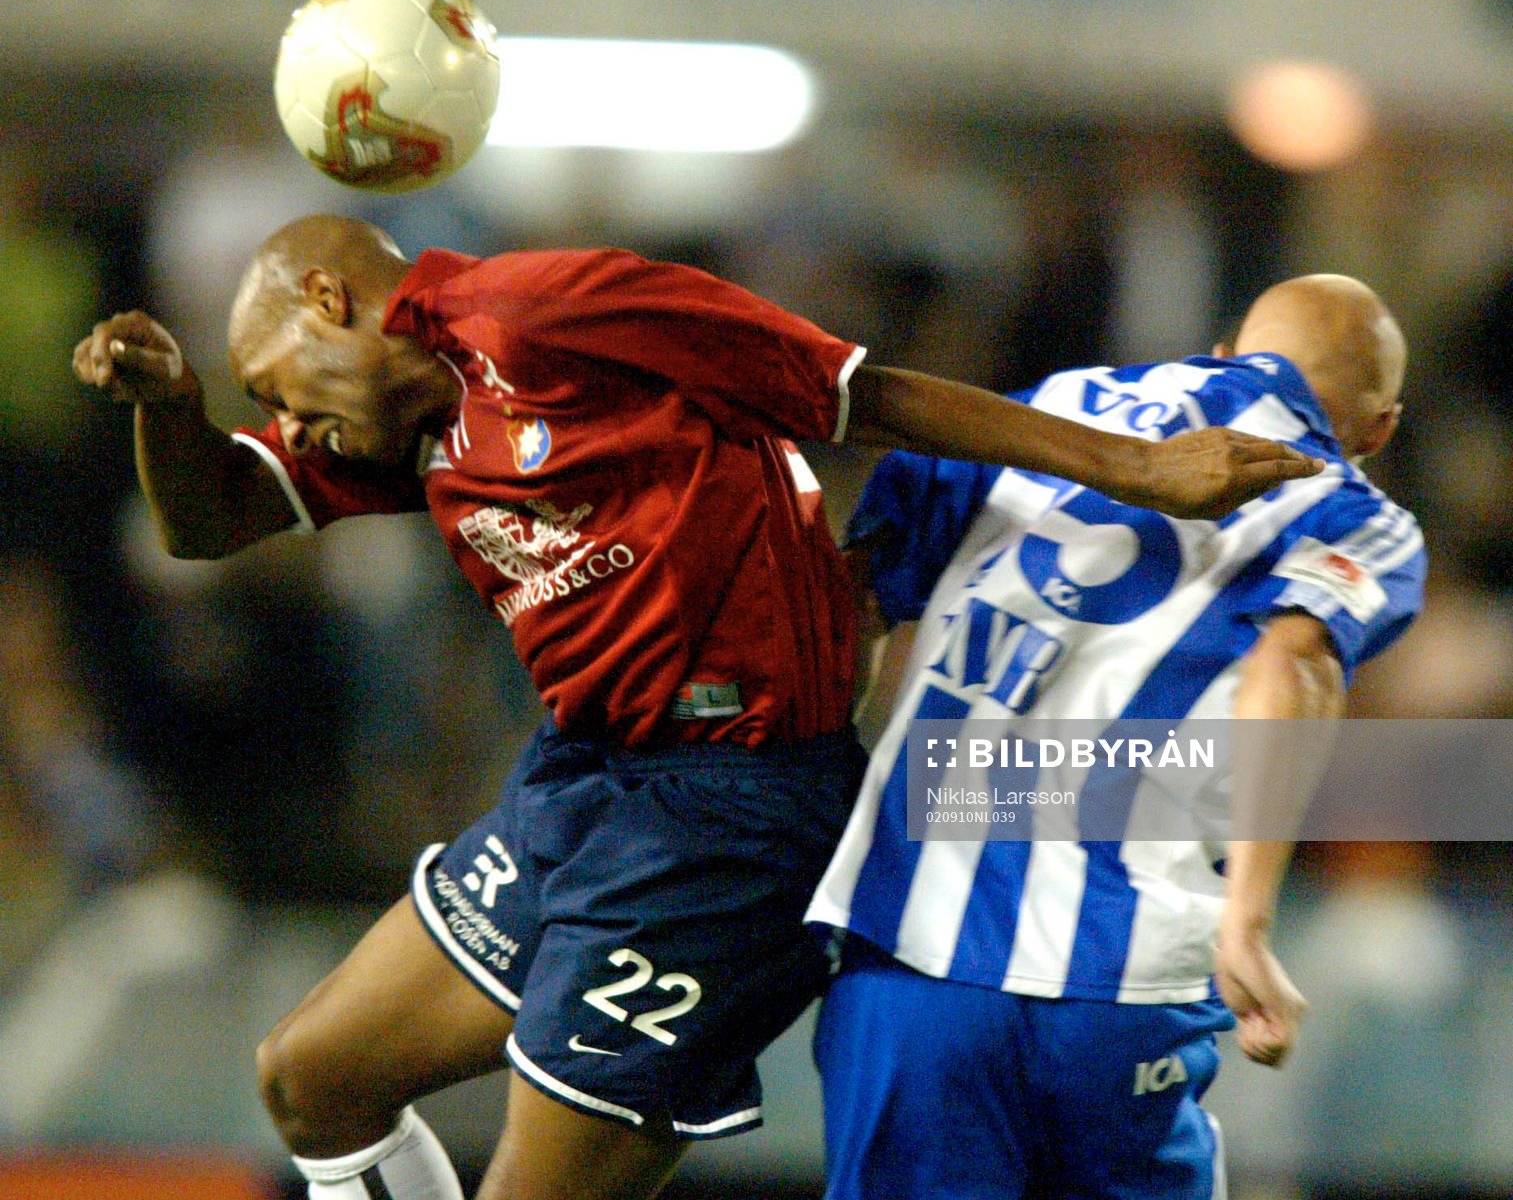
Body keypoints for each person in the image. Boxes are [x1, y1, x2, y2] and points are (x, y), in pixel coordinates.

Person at [71, 214, 1318, 1200]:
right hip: (585, 781)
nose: (282, 417)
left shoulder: (551, 309)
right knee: (312, 1077)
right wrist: (171, 407)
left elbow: (858, 393)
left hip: (735, 816)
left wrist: (1142, 467)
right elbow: (210, 518)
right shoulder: (404, 421)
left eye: (270, 379)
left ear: (332, 300)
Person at [806, 273, 1426, 1200]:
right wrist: (1248, 922)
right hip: (1122, 973)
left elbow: (854, 596)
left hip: (910, 945)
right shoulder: (1356, 513)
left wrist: (819, 799)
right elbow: (1289, 666)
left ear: (1223, 351)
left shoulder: (1039, 413)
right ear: (1379, 428)